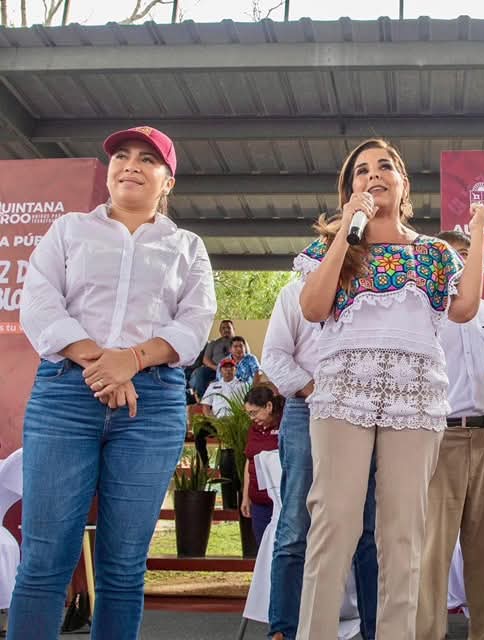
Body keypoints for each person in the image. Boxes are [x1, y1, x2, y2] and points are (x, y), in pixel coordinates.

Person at [13, 125, 216, 639]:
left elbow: (194, 323)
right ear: (108, 171)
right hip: (65, 395)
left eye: (147, 160)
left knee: (124, 567)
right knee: (44, 562)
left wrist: (133, 360)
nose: (130, 165)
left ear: (167, 181)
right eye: (121, 156)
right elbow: (38, 304)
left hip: (150, 407)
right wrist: (102, 363)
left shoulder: (187, 247)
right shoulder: (68, 230)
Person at [295, 138, 484, 639]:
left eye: (385, 166)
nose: (373, 175)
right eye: (361, 170)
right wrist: (345, 232)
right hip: (342, 396)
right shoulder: (327, 249)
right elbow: (313, 309)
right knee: (333, 527)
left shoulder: (434, 253)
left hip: (416, 398)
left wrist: (480, 235)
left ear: (404, 183)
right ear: (349, 187)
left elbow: (465, 308)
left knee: (404, 534)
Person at [416, 230, 484, 640]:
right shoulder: (423, 309)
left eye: (469, 254)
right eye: (455, 255)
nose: (463, 262)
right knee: (429, 556)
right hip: (436, 442)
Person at [260, 277, 378, 640]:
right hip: (305, 409)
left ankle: (375, 630)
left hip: (365, 412)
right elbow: (273, 356)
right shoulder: (296, 292)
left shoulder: (375, 292)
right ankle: (284, 629)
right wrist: (317, 390)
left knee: (368, 528)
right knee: (296, 523)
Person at [242, 385, 282, 547]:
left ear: (269, 406)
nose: (252, 418)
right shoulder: (254, 429)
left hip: (280, 502)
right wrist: (246, 496)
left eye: (254, 412)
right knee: (262, 548)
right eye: (249, 414)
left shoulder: (285, 425)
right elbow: (249, 460)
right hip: (259, 502)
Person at [196, 358, 249, 467]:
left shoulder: (243, 385)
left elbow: (247, 406)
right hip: (217, 421)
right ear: (221, 370)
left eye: (231, 367)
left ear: (236, 370)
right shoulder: (213, 386)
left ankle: (242, 462)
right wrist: (214, 421)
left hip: (235, 422)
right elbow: (206, 407)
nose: (228, 370)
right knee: (199, 432)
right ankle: (205, 464)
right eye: (225, 367)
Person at [190, 319, 235, 398]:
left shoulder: (240, 343)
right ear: (220, 331)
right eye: (223, 328)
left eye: (228, 327)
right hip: (214, 370)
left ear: (233, 329)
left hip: (233, 369)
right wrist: (217, 368)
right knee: (199, 373)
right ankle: (203, 399)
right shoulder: (213, 343)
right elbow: (205, 360)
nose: (226, 330)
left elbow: (245, 357)